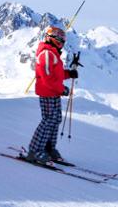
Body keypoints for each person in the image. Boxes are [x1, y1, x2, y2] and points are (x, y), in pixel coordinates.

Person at [25, 26, 78, 165]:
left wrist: (69, 74)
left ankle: (48, 148)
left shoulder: (53, 54)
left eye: (63, 39)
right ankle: (34, 151)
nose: (62, 42)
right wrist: (62, 90)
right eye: (60, 39)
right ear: (52, 38)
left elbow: (56, 74)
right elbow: (47, 78)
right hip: (47, 92)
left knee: (56, 119)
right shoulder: (46, 54)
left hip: (53, 92)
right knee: (49, 120)